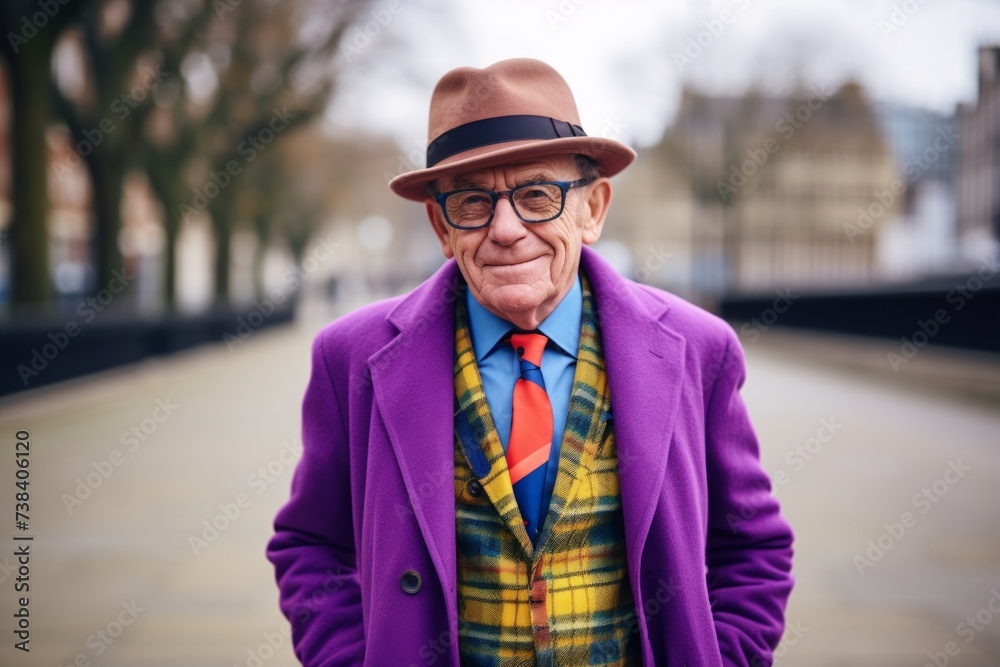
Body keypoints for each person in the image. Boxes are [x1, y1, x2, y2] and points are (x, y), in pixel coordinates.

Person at [267, 57, 794, 666]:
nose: (506, 229)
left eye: (537, 195)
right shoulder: (349, 359)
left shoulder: (702, 350)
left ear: (592, 209)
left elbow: (753, 546)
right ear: (441, 226)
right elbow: (311, 545)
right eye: (471, 203)